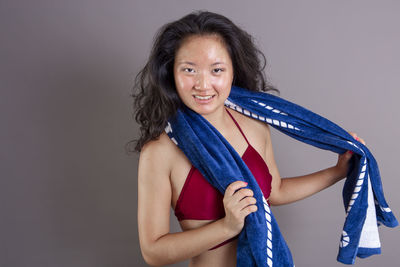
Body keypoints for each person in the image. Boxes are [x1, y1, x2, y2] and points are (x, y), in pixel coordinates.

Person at [130, 10, 366, 267]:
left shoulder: (254, 125)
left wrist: (337, 171)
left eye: (216, 70)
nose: (203, 84)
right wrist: (227, 226)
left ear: (233, 72)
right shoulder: (160, 151)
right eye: (189, 70)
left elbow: (275, 191)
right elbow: (153, 252)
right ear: (171, 74)